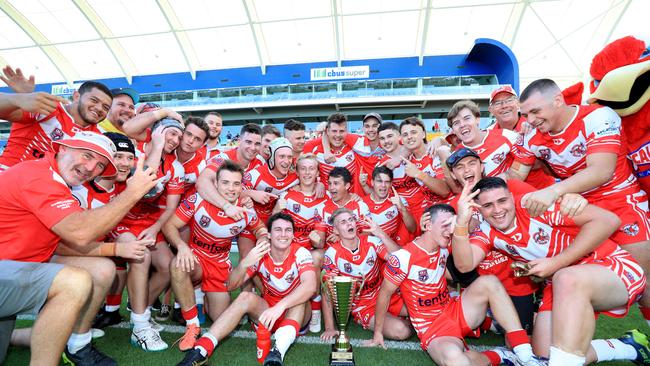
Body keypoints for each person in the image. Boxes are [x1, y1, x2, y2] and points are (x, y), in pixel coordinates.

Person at [0, 131, 159, 365]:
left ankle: (75, 344)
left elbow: (61, 244)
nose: (90, 167)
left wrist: (113, 250)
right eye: (86, 155)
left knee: (101, 269)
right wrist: (133, 193)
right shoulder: (39, 177)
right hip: (8, 269)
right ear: (62, 148)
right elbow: (80, 233)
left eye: (100, 165)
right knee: (73, 281)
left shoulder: (58, 180)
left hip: (16, 267)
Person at [454, 177, 648, 365]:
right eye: (488, 206)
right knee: (544, 356)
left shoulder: (535, 207)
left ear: (512, 198)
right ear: (479, 209)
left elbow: (608, 220)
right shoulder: (487, 231)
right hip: (559, 284)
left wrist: (556, 263)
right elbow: (464, 265)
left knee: (565, 276)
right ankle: (626, 347)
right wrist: (462, 223)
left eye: (502, 201)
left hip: (609, 265)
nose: (497, 210)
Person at [511, 78, 650, 326]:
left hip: (620, 199)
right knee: (571, 280)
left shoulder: (597, 117)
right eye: (525, 114)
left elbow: (601, 171)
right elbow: (515, 177)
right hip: (577, 206)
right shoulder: (531, 136)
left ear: (558, 100)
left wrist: (555, 192)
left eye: (535, 111)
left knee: (644, 280)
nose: (530, 120)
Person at [366, 203, 544, 366]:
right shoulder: (403, 258)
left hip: (456, 311)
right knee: (456, 361)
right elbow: (385, 294)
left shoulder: (445, 245)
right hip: (432, 327)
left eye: (452, 226)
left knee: (489, 282)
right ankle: (500, 356)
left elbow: (475, 227)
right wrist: (378, 333)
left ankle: (525, 355)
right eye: (445, 225)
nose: (450, 231)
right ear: (428, 225)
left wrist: (462, 215)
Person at [176, 213, 317, 366]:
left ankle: (277, 353)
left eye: (288, 230)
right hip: (268, 314)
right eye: (278, 230)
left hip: (295, 315)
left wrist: (280, 306)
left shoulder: (300, 253)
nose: (283, 234)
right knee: (244, 296)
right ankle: (201, 349)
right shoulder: (261, 253)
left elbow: (310, 286)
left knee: (299, 301)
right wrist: (244, 264)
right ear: (269, 234)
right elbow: (230, 285)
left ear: (293, 234)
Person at [164, 160, 269, 351]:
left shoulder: (246, 210)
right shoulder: (197, 200)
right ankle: (192, 325)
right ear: (216, 184)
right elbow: (169, 225)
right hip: (195, 257)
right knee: (178, 265)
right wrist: (181, 246)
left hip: (219, 265)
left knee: (221, 319)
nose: (231, 188)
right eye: (225, 183)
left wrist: (263, 238)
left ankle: (203, 296)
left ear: (242, 186)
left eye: (236, 184)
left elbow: (260, 228)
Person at [113, 119, 186, 351]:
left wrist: (155, 229)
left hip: (149, 222)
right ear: (156, 132)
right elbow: (142, 193)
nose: (174, 140)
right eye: (170, 133)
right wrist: (155, 146)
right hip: (120, 217)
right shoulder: (131, 152)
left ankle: (139, 310)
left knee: (168, 266)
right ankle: (141, 327)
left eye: (178, 137)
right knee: (140, 255)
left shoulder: (176, 167)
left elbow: (171, 206)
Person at [321, 208, 412, 340]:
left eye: (351, 220)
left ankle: (406, 319)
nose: (349, 224)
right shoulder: (332, 253)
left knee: (424, 312)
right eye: (343, 222)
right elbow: (326, 290)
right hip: (363, 306)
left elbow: (401, 258)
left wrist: (381, 234)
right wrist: (329, 327)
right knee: (401, 331)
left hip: (386, 296)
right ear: (335, 230)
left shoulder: (371, 241)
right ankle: (401, 321)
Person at [0, 81, 112, 170]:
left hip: (43, 189)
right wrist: (17, 99)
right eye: (94, 100)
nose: (99, 108)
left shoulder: (97, 136)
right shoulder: (49, 108)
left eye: (105, 107)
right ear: (77, 96)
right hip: (9, 175)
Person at [487, 85, 556, 189]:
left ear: (518, 103)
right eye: (497, 103)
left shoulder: (536, 124)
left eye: (509, 100)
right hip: (508, 193)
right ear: (490, 110)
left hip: (541, 191)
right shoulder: (488, 134)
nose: (504, 105)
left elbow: (549, 161)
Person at [303, 113, 364, 194]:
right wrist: (316, 183)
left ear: (347, 132)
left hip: (351, 200)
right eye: (334, 131)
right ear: (327, 131)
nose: (338, 135)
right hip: (326, 201)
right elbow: (302, 170)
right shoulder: (315, 150)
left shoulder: (354, 148)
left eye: (341, 131)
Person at [361, 166, 416, 242]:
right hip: (375, 249)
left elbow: (412, 229)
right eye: (379, 181)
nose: (383, 185)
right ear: (372, 182)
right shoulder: (361, 204)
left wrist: (402, 208)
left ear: (391, 184)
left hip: (397, 247)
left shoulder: (398, 200)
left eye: (386, 182)